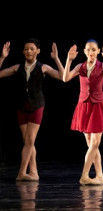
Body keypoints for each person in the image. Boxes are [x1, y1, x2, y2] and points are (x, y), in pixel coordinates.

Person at [0, 39, 65, 180]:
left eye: (31, 48)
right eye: (26, 49)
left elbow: (62, 77)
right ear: (23, 51)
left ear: (37, 51)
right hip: (22, 106)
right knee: (28, 142)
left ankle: (21, 173)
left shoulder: (43, 67)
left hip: (37, 106)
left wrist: (57, 59)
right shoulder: (18, 67)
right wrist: (2, 58)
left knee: (29, 140)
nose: (29, 51)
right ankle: (34, 172)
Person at [62, 40, 103, 185]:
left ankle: (84, 175)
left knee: (94, 143)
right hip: (84, 106)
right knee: (91, 145)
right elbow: (65, 78)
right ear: (85, 51)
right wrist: (68, 60)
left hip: (98, 106)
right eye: (88, 50)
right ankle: (100, 176)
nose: (91, 52)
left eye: (93, 49)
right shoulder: (81, 66)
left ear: (98, 51)